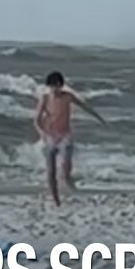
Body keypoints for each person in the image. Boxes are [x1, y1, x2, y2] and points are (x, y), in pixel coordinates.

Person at [34, 71, 107, 206]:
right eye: (51, 86)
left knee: (65, 168)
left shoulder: (67, 96)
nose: (54, 89)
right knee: (51, 172)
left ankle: (69, 183)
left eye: (56, 86)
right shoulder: (45, 98)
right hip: (50, 136)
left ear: (61, 85)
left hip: (65, 135)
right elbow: (36, 120)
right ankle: (56, 201)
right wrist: (42, 134)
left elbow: (84, 106)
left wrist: (99, 117)